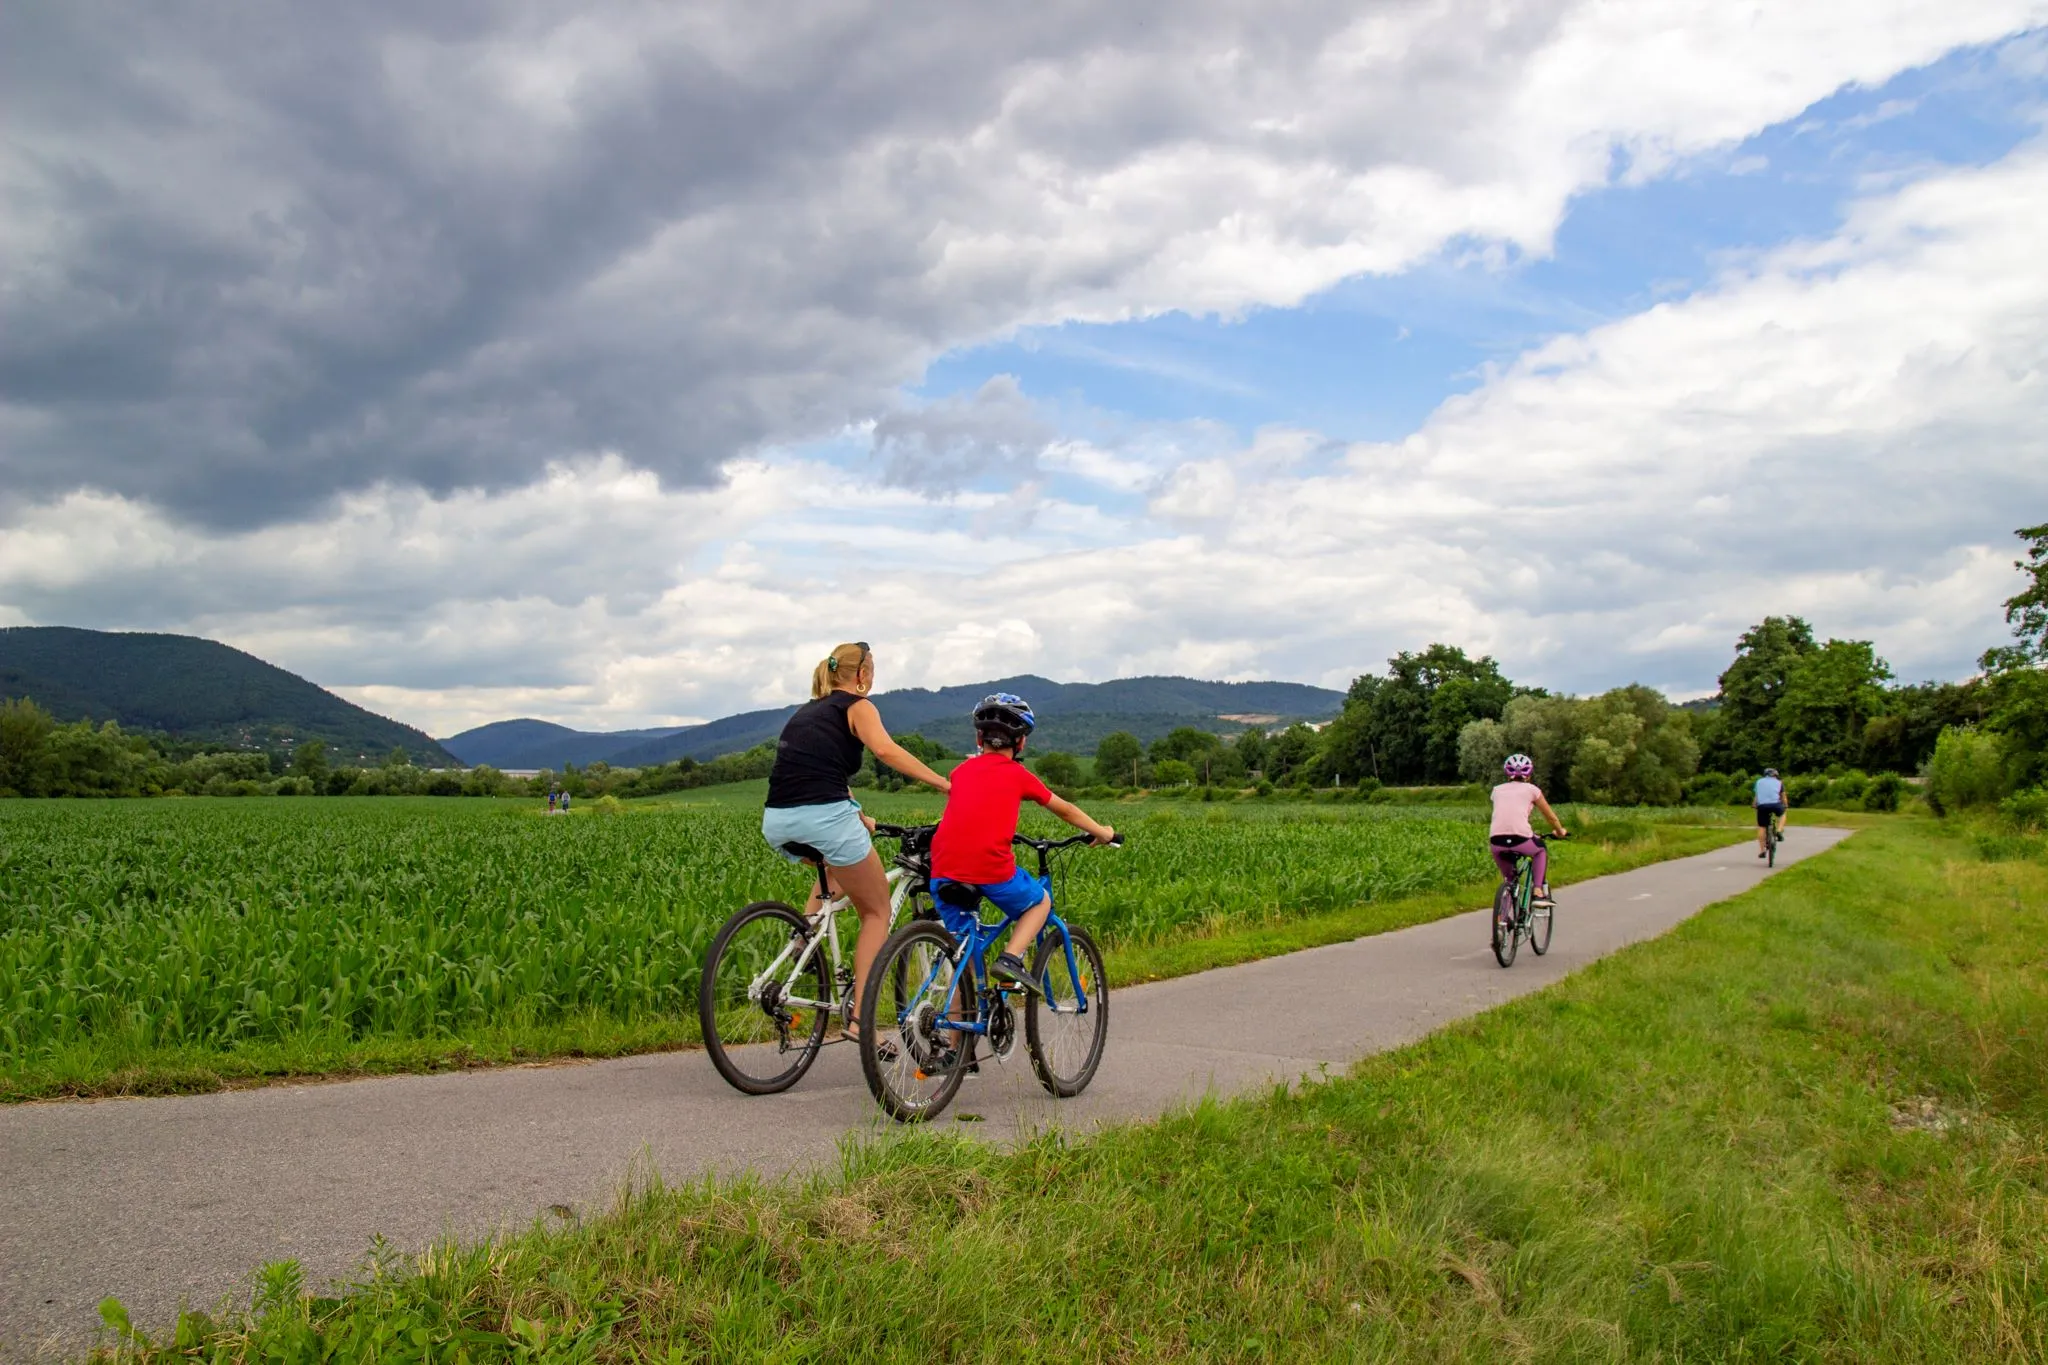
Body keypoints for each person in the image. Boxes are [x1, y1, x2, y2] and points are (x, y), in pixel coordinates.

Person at [762, 642, 951, 1035]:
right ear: (862, 674)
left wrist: (858, 813)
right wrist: (942, 783)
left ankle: (803, 939)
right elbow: (885, 749)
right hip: (825, 818)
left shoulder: (807, 712)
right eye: (873, 668)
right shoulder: (857, 706)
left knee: (832, 866)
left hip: (778, 819)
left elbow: (815, 772)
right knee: (876, 911)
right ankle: (860, 1019)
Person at [928, 693, 1115, 990]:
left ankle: (957, 1030)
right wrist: (1102, 832)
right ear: (1021, 742)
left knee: (964, 965)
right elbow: (1065, 809)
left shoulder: (960, 771)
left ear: (979, 738)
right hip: (990, 868)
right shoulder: (1019, 775)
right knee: (1040, 902)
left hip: (942, 870)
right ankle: (1011, 958)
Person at [1490, 753, 1566, 918]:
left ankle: (1502, 921)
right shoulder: (1533, 790)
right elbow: (1551, 817)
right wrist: (1560, 832)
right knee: (1540, 851)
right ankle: (1538, 891)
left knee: (1509, 881)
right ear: (1529, 774)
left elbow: (1508, 815)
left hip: (1496, 841)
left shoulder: (1496, 790)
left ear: (1507, 773)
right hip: (1521, 839)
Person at [1754, 767, 1787, 857]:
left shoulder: (1758, 782)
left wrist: (1754, 804)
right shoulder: (1779, 783)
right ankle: (1779, 831)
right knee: (1783, 814)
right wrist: (1785, 805)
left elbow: (1757, 796)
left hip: (1762, 806)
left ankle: (1762, 851)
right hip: (1775, 805)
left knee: (1762, 827)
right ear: (1775, 775)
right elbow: (1783, 797)